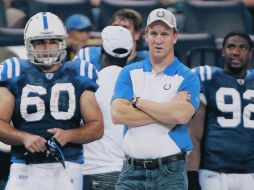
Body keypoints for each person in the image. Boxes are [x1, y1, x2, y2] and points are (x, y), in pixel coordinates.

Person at [0, 12, 103, 190]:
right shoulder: (14, 70)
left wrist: (70, 134)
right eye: (39, 42)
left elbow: (97, 126)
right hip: (24, 165)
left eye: (52, 41)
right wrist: (24, 137)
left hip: (68, 165)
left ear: (62, 41)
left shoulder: (79, 71)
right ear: (28, 43)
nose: (47, 47)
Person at [111, 8, 200, 190]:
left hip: (170, 173)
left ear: (175, 36)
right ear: (145, 36)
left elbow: (181, 116)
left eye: (165, 34)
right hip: (131, 171)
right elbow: (118, 114)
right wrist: (168, 107)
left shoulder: (187, 76)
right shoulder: (129, 72)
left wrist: (138, 102)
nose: (158, 40)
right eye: (153, 33)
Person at [188, 31, 254, 190]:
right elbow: (194, 136)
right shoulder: (207, 77)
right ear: (223, 51)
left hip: (249, 171)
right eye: (231, 46)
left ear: (250, 53)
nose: (236, 52)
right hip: (213, 171)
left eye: (242, 47)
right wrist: (192, 175)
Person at [82, 25, 133, 190]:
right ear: (130, 53)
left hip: (88, 171)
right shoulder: (138, 86)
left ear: (102, 50)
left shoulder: (89, 83)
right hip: (125, 173)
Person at [75, 8, 149, 70]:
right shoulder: (89, 56)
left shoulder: (148, 60)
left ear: (137, 34)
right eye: (115, 26)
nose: (118, 31)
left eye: (124, 27)